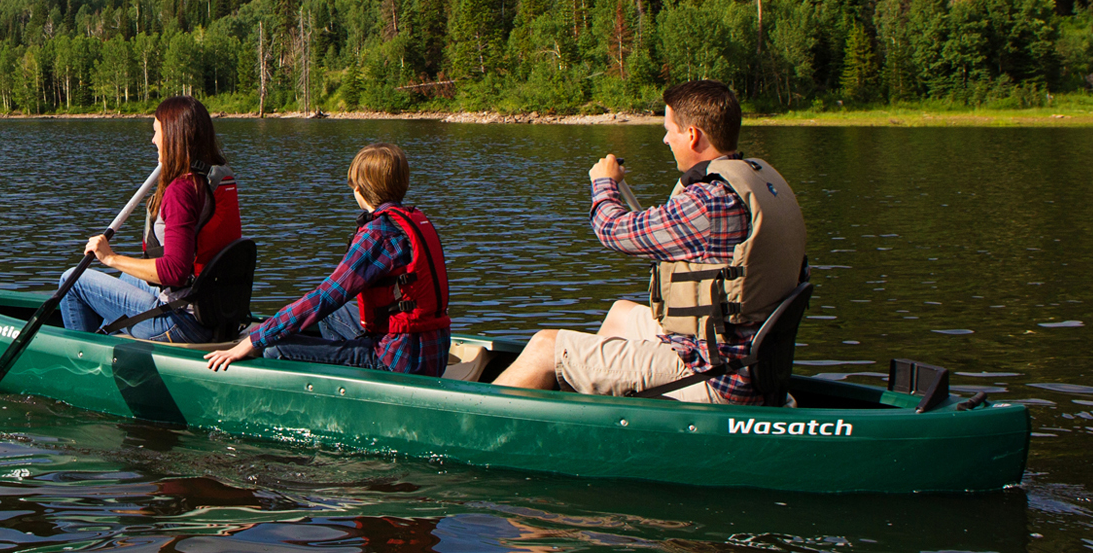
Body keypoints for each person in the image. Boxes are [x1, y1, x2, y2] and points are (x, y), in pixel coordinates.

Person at [491, 80, 806, 404]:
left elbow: (611, 229)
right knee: (621, 313)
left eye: (670, 129)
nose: (666, 139)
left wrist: (603, 183)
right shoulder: (758, 183)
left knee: (546, 346)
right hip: (747, 362)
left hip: (717, 376)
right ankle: (592, 414)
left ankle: (480, 419)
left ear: (693, 135)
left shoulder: (709, 203)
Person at [204, 143, 451, 375]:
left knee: (274, 349)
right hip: (434, 351)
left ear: (359, 190)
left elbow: (325, 297)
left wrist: (256, 339)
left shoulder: (378, 234)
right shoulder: (411, 222)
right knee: (334, 316)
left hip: (399, 360)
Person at [58, 95, 242, 342]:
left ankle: (83, 359)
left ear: (174, 136)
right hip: (213, 312)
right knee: (129, 278)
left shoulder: (182, 191)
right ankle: (107, 338)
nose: (153, 140)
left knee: (73, 280)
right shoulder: (212, 178)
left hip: (181, 323)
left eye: (156, 132)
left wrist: (110, 258)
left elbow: (175, 272)